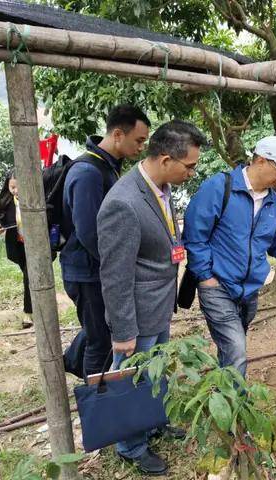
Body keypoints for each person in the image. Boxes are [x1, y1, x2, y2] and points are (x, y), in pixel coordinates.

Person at [97, 120, 206, 475]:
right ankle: (130, 446)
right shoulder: (123, 203)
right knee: (131, 379)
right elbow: (115, 276)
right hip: (137, 316)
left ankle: (154, 423)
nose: (192, 172)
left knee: (155, 373)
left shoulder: (160, 187)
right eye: (188, 166)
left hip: (158, 306)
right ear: (164, 159)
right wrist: (124, 331)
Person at [183, 135, 276, 378]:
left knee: (231, 350)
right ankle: (235, 407)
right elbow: (195, 236)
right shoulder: (219, 188)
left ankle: (224, 395)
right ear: (261, 160)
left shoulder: (273, 202)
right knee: (236, 350)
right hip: (218, 286)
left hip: (249, 292)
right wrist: (206, 277)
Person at [61, 104, 150, 378]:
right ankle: (95, 402)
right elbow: (90, 233)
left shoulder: (107, 167)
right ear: (118, 135)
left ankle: (85, 375)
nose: (141, 148)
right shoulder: (88, 173)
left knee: (98, 333)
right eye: (139, 140)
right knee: (99, 341)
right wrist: (119, 267)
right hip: (88, 272)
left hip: (98, 269)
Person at [0, 169, 33, 329]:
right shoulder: (7, 202)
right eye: (12, 187)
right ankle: (35, 305)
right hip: (18, 247)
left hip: (36, 246)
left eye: (19, 187)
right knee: (29, 276)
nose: (16, 191)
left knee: (28, 275)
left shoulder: (36, 198)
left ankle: (28, 314)